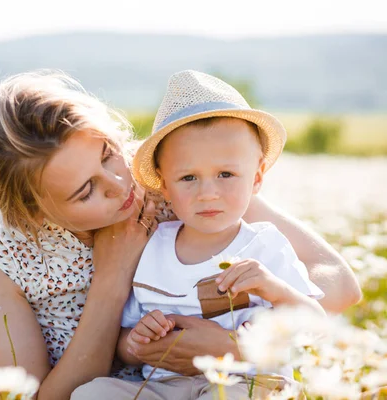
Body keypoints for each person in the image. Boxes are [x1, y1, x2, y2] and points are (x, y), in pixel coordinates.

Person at [0, 70, 361, 400]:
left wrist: (238, 347)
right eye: (86, 191)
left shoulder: (177, 175)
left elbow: (337, 282)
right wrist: (111, 282)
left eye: (109, 152)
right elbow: (33, 396)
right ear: (31, 212)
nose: (119, 183)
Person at [90, 70, 323, 399]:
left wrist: (273, 288)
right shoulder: (151, 247)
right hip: (164, 384)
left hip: (248, 381)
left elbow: (315, 325)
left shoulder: (264, 246)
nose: (208, 193)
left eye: (226, 174)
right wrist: (138, 341)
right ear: (164, 185)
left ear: (256, 179)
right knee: (93, 392)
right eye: (188, 178)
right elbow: (125, 344)